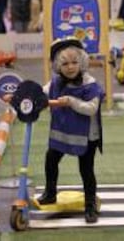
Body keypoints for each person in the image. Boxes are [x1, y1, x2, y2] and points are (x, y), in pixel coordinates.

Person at [36, 37, 105, 223]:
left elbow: (91, 108)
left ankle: (90, 205)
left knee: (86, 169)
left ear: (82, 61)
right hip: (64, 132)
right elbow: (40, 93)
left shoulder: (90, 84)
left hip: (86, 135)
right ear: (58, 65)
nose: (70, 67)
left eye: (74, 62)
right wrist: (20, 94)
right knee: (51, 158)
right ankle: (50, 193)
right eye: (65, 63)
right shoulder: (56, 82)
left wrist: (71, 102)